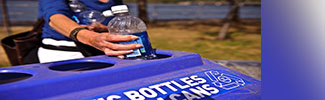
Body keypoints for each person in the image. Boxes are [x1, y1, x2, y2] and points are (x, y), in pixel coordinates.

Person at [38, 0, 142, 63]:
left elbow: (115, 20)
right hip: (64, 51)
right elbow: (55, 18)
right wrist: (90, 38)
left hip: (106, 50)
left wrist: (104, 29)